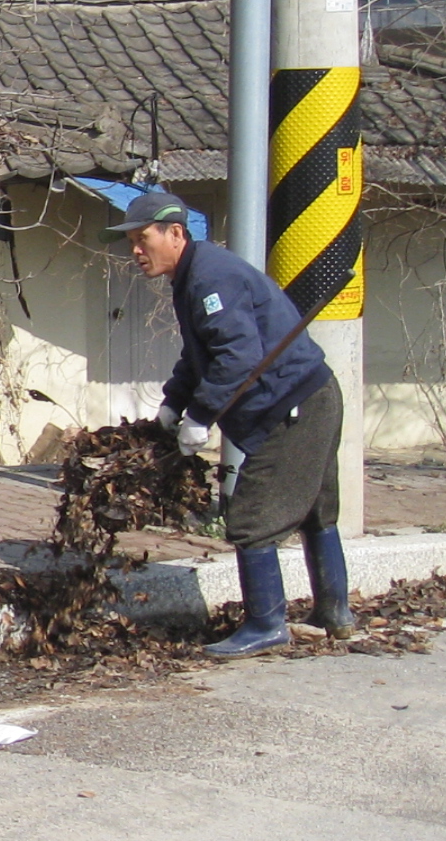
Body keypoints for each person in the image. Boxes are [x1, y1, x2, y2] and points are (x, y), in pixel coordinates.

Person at [107, 187, 351, 655]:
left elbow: (238, 358)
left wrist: (200, 417)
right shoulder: (193, 276)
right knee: (317, 512)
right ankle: (334, 614)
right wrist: (174, 403)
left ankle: (266, 625)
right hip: (312, 397)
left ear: (175, 233)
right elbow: (203, 353)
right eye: (131, 242)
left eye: (143, 238)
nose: (135, 251)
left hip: (294, 405)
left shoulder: (210, 278)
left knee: (251, 518)